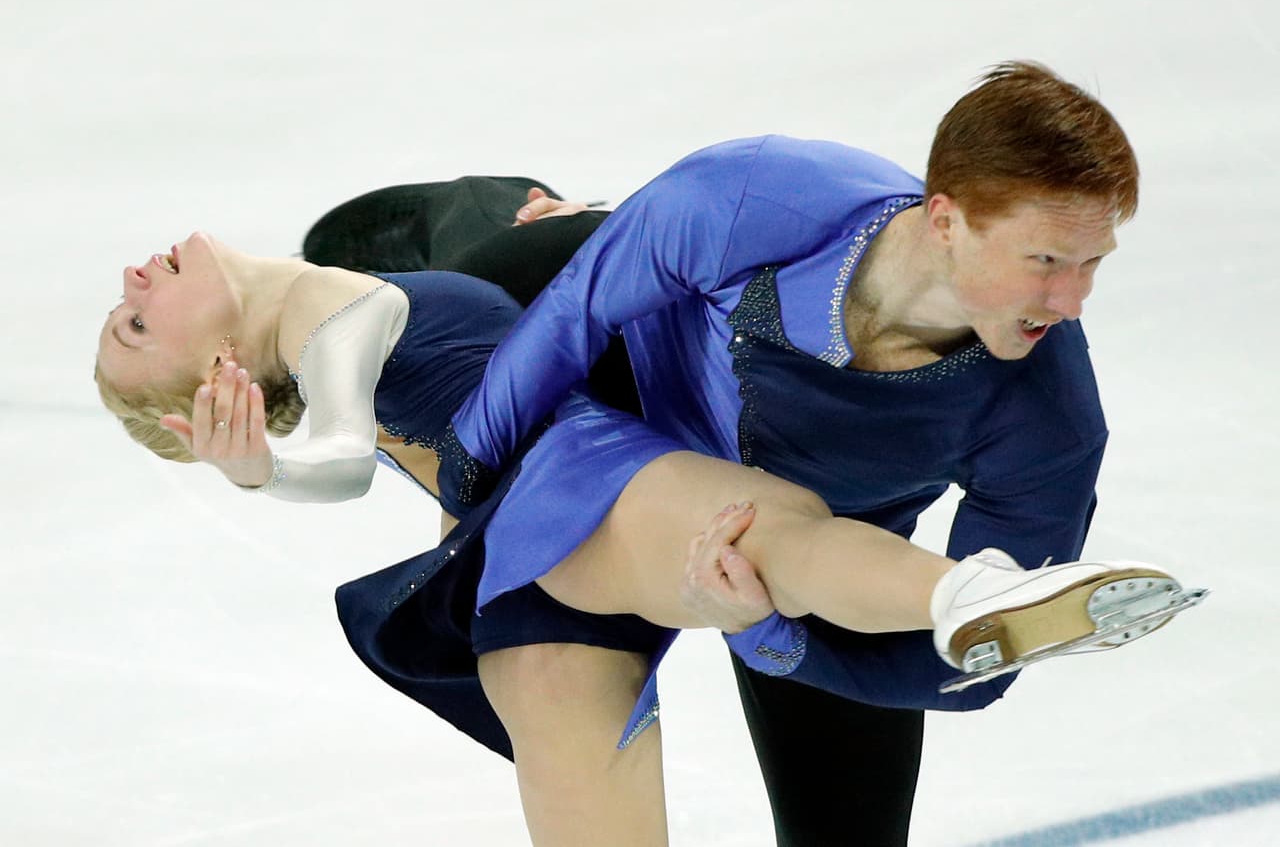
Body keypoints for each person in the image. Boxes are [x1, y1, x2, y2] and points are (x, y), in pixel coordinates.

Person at [93, 223, 1193, 844]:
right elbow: (333, 458)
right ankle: (964, 599)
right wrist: (256, 468)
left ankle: (968, 603)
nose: (132, 281)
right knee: (776, 544)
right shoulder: (328, 313)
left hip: (516, 588)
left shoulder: (340, 270)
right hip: (580, 489)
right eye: (137, 326)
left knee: (750, 566)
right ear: (212, 374)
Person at [399, 61, 1199, 846]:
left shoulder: (1049, 419)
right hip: (618, 382)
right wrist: (470, 480)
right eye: (1047, 262)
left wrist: (767, 632)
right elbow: (576, 310)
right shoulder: (757, 197)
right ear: (946, 219)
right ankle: (513, 210)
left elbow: (969, 667)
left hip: (814, 568)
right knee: (451, 295)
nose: (1074, 301)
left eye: (1093, 263)